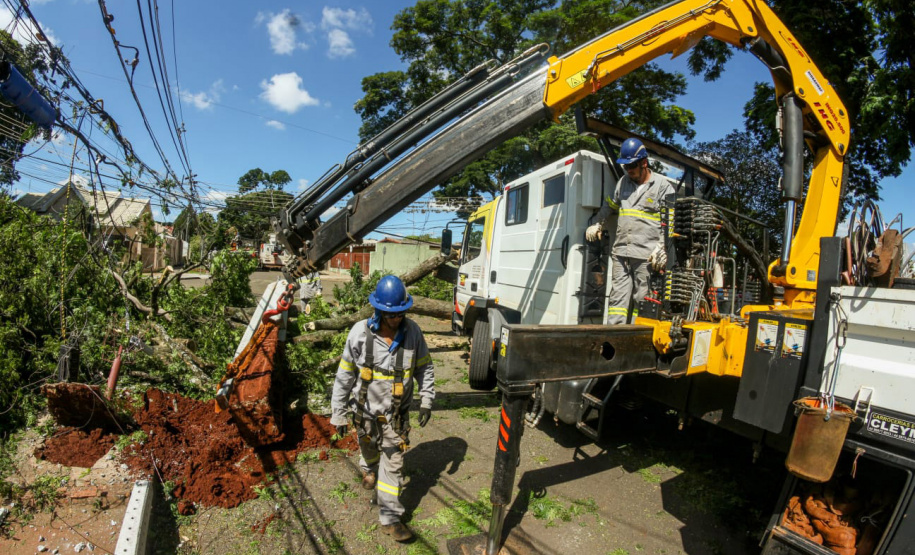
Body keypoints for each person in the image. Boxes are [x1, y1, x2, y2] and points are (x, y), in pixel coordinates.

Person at [330, 275, 435, 542]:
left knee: (394, 463)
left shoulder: (413, 334)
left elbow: (425, 367)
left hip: (396, 418)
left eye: (400, 313)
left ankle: (390, 519)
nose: (397, 319)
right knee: (367, 446)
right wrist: (339, 412)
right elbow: (344, 376)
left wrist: (426, 399)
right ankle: (368, 468)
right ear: (379, 309)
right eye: (391, 314)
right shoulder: (359, 334)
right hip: (364, 413)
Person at [585, 137, 674, 324]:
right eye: (625, 166)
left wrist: (662, 247)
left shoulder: (662, 187)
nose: (628, 170)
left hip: (646, 256)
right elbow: (610, 205)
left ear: (644, 163)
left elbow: (671, 221)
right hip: (621, 253)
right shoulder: (623, 183)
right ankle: (613, 337)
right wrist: (597, 223)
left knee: (643, 300)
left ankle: (636, 339)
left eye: (632, 165)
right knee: (618, 300)